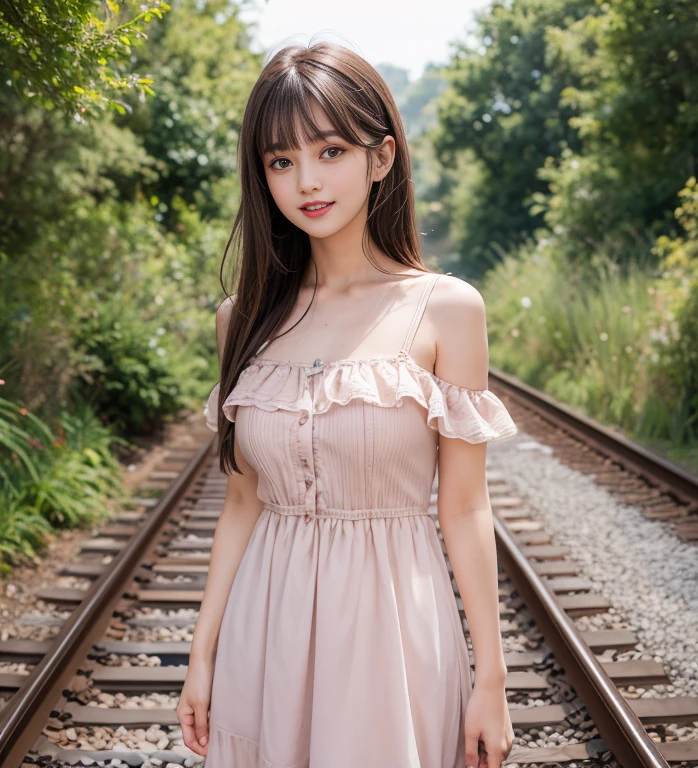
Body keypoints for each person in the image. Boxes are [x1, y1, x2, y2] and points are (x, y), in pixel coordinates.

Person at [177, 40, 519, 768]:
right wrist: (201, 653)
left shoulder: (446, 309)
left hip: (393, 630)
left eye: (330, 150)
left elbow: (464, 507)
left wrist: (491, 675)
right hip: (264, 629)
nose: (306, 180)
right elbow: (241, 505)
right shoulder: (242, 318)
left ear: (382, 157)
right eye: (280, 160)